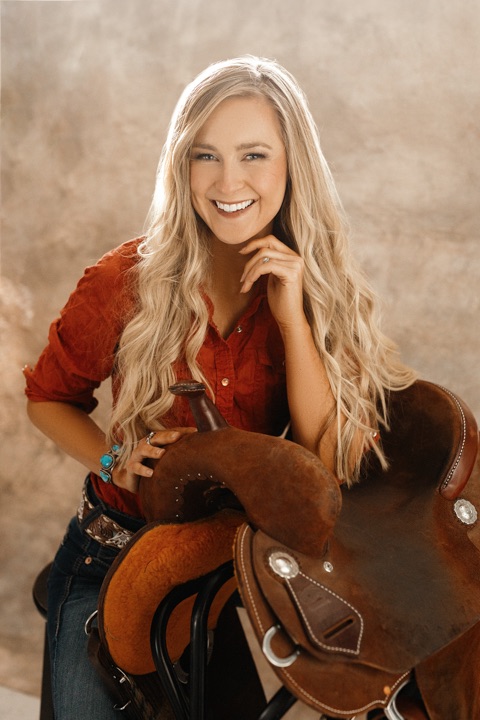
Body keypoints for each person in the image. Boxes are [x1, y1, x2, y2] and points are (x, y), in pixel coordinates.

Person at [24, 55, 416, 719]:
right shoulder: (122, 281)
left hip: (227, 567)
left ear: (292, 165)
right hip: (109, 556)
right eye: (205, 155)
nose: (228, 181)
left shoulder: (315, 291)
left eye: (253, 155)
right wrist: (114, 460)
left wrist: (292, 321)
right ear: (181, 166)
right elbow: (47, 399)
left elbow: (324, 458)